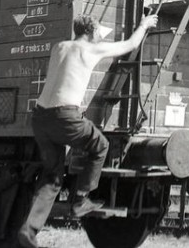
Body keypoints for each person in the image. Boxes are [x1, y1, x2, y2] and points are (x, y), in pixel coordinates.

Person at [17, 13, 159, 248]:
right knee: (100, 145)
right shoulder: (92, 49)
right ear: (93, 33)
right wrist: (144, 25)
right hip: (65, 117)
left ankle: (28, 230)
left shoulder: (59, 47)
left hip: (40, 118)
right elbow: (131, 45)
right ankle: (81, 199)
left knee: (52, 175)